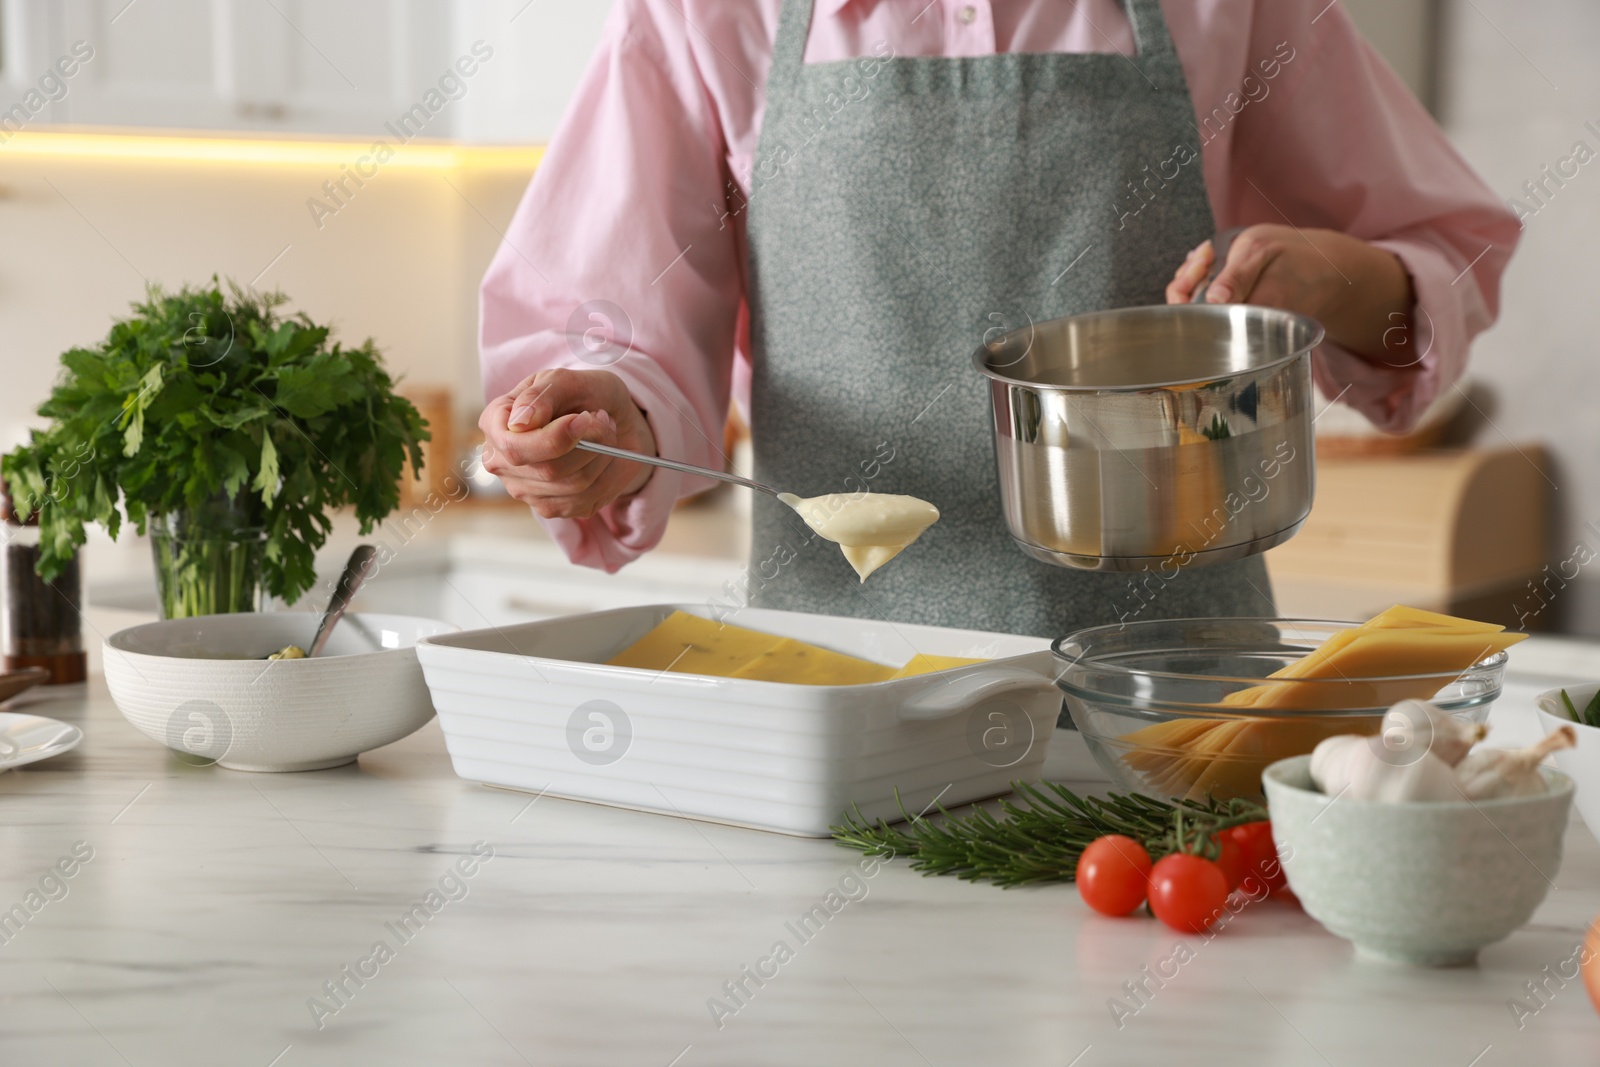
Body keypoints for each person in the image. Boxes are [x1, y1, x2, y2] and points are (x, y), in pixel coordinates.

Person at [477, 0, 1518, 638]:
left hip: (1173, 698)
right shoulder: (705, 9)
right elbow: (623, 332)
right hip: (847, 693)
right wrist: (602, 424)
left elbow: (1439, 263)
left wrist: (1335, 285)